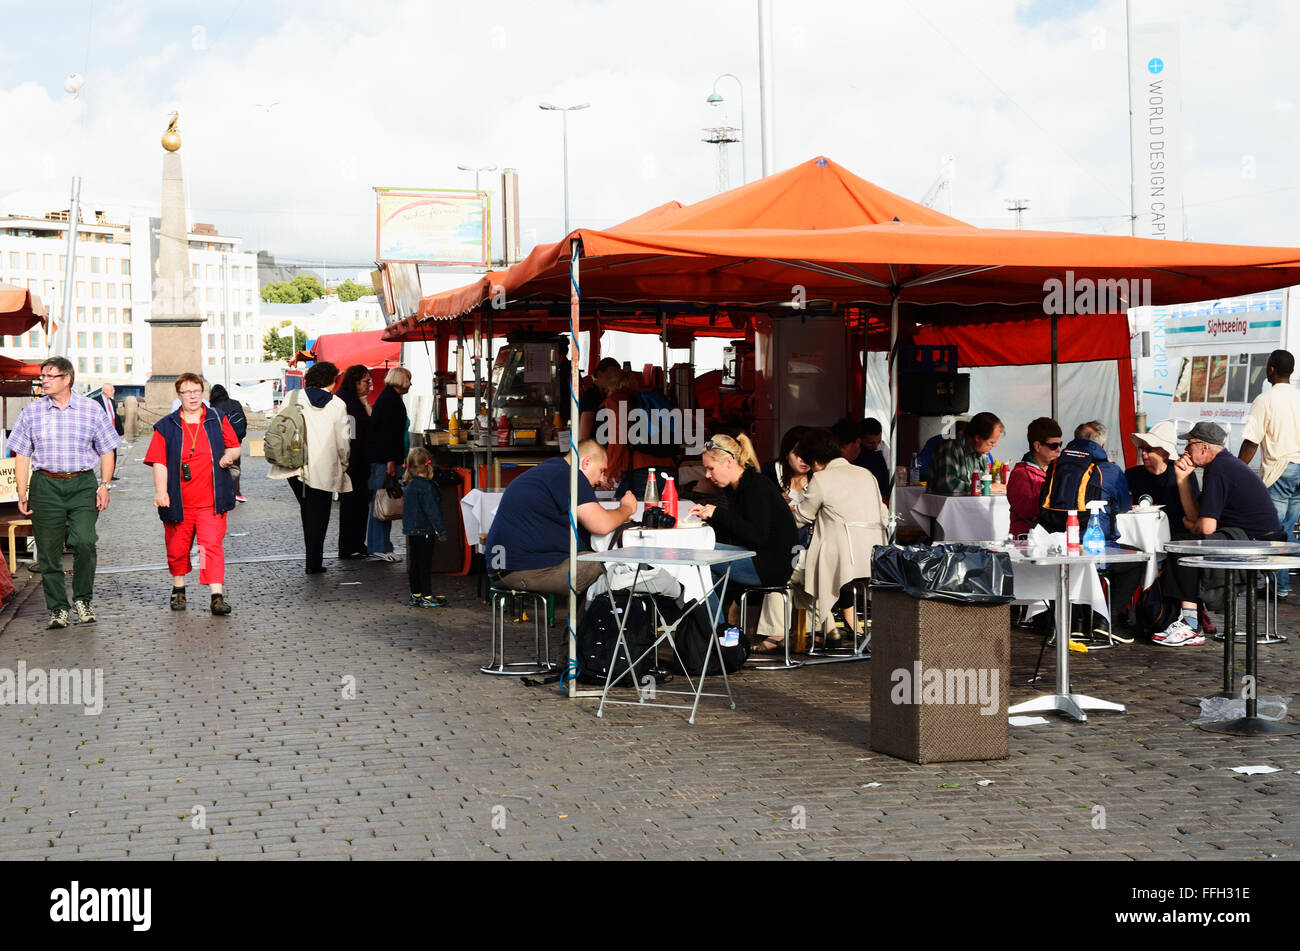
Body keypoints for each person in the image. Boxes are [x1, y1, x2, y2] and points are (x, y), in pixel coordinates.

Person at [9, 356, 120, 628]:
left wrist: (104, 485)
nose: (43, 380)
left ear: (67, 379)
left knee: (84, 540)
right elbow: (22, 454)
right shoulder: (32, 412)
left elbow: (107, 449)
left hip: (82, 483)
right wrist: (21, 491)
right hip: (45, 485)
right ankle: (58, 608)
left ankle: (82, 599)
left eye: (49, 375)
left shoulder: (91, 409)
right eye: (42, 375)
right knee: (48, 550)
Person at [757, 427, 888, 651]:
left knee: (783, 571)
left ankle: (778, 632)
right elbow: (884, 514)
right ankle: (823, 628)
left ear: (816, 461)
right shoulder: (867, 474)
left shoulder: (822, 478)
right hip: (873, 560)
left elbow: (800, 518)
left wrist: (786, 509)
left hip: (840, 562)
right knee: (805, 572)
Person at [1156, 422, 1286, 647]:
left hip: (1257, 543)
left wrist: (1193, 526)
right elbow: (1198, 517)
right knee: (1184, 539)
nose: (1186, 450)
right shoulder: (1224, 465)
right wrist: (1182, 479)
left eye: (1189, 445)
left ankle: (1190, 623)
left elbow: (1204, 527)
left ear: (1204, 447)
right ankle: (1190, 619)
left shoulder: (1219, 469)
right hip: (1255, 538)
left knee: (1183, 546)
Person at [485, 440, 636, 610]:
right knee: (608, 565)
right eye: (601, 471)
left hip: (503, 565)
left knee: (591, 559)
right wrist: (627, 508)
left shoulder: (552, 470)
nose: (602, 479)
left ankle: (582, 635)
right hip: (519, 569)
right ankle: (592, 635)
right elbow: (601, 524)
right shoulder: (570, 475)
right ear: (586, 462)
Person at [143, 373, 241, 615]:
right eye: (187, 392)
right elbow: (159, 461)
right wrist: (160, 491)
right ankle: (179, 589)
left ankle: (216, 595)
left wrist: (230, 456)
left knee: (210, 547)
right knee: (177, 548)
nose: (193, 396)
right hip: (179, 501)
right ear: (179, 396)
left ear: (203, 393)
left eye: (197, 390)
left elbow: (235, 445)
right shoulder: (167, 425)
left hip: (211, 500)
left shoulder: (217, 418)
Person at [687, 433, 799, 625]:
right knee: (702, 574)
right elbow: (738, 531)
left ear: (728, 461)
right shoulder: (737, 487)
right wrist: (709, 517)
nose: (707, 475)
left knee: (696, 558)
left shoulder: (756, 487)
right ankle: (718, 637)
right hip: (758, 557)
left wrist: (718, 514)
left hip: (772, 565)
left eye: (710, 468)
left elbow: (757, 536)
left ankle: (719, 635)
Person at [268, 361, 352, 574]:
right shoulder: (338, 405)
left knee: (308, 511)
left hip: (294, 466)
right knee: (319, 515)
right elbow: (343, 442)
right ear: (332, 381)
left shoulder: (293, 397)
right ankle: (313, 562)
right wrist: (344, 464)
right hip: (323, 468)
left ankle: (312, 559)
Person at [1238, 349, 1300, 597]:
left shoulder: (1265, 399)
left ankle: (1278, 586)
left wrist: (1238, 470)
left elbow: (1252, 441)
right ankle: (1281, 586)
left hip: (1280, 470)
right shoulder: (1298, 397)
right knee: (1287, 528)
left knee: (1274, 531)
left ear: (1272, 369)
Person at [599, 367, 679, 500]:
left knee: (641, 515)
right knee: (669, 513)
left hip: (641, 469)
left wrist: (608, 472)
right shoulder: (647, 399)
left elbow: (618, 439)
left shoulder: (616, 401)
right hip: (668, 465)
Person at [365, 366, 412, 562]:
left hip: (383, 458)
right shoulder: (391, 402)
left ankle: (379, 544)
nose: (410, 383)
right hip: (385, 459)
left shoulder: (388, 399)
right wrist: (391, 461)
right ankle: (380, 546)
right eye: (409, 379)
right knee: (383, 500)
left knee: (381, 499)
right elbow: (388, 435)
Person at [401, 446, 448, 608]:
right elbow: (433, 512)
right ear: (428, 465)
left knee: (414, 564)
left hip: (411, 531)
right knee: (425, 565)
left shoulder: (408, 486)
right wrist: (441, 531)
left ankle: (416, 594)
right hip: (426, 531)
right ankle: (427, 596)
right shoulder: (428, 487)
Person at [1127, 420, 1195, 526]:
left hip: (1176, 535)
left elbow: (1194, 513)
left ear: (1165, 453)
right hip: (1141, 533)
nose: (1143, 453)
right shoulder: (1132, 474)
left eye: (1149, 449)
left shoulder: (1183, 473)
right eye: (1142, 448)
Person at [336, 364, 373, 559]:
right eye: (366, 381)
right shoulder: (345, 402)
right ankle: (350, 546)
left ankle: (356, 543)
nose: (369, 385)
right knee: (352, 505)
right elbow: (348, 435)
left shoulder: (354, 401)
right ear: (355, 381)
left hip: (358, 462)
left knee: (358, 505)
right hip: (353, 463)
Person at [1007, 417, 1062, 537]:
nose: (1059, 450)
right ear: (1037, 446)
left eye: (1060, 444)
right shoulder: (1020, 474)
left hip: (1050, 539)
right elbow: (1028, 511)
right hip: (1027, 541)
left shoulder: (1059, 470)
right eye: (1054, 446)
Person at [928, 412, 1004, 496]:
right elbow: (947, 484)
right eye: (991, 442)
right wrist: (985, 487)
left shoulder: (980, 452)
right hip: (947, 507)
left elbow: (983, 479)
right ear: (978, 438)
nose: (995, 445)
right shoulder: (951, 447)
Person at [832, 418, 890, 501]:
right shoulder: (832, 459)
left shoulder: (876, 460)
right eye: (871, 443)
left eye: (843, 446)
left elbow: (884, 494)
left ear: (858, 442)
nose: (876, 447)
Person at [207, 384, 248, 502]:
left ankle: (224, 492)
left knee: (221, 466)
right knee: (236, 467)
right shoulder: (236, 403)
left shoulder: (213, 408)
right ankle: (237, 492)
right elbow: (244, 421)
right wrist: (240, 437)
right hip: (236, 441)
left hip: (221, 442)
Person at [761, 425, 812, 502]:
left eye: (809, 453)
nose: (804, 459)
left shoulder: (821, 476)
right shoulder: (767, 473)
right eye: (797, 453)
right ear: (786, 454)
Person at [577, 357, 622, 442]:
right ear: (599, 374)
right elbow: (584, 436)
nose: (615, 380)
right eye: (611, 376)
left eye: (617, 376)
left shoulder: (607, 396)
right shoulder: (591, 396)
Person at [97, 383, 124, 480]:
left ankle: (110, 474)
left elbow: (115, 416)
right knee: (101, 454)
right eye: (112, 390)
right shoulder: (96, 401)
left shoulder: (112, 401)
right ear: (105, 391)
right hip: (100, 431)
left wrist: (120, 431)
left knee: (113, 453)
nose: (113, 392)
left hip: (111, 431)